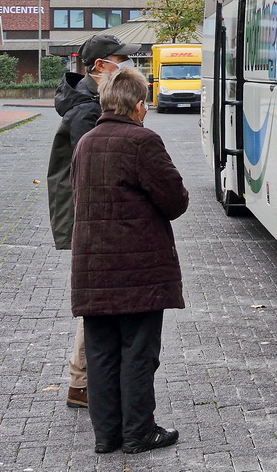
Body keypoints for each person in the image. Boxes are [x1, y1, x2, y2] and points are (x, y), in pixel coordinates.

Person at [70, 66, 188, 454]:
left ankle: (107, 435)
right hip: (138, 269)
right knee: (138, 351)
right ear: (139, 106)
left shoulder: (86, 142)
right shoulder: (142, 142)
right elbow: (174, 201)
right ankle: (139, 432)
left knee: (101, 352)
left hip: (92, 265)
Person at [45, 33, 141, 410]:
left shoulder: (88, 102)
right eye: (122, 60)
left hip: (89, 216)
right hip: (92, 218)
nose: (127, 66)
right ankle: (82, 382)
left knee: (101, 297)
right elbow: (100, 168)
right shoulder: (88, 110)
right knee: (100, 300)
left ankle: (82, 382)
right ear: (100, 66)